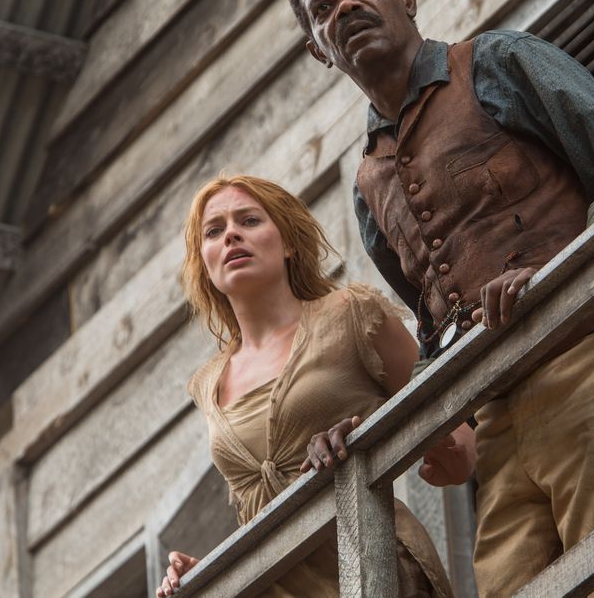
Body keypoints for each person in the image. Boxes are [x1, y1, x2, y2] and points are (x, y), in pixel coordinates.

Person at [287, 0, 594, 597]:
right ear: (319, 49)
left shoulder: (497, 62)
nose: (345, 7)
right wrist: (370, 429)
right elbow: (436, 329)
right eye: (324, 8)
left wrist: (558, 271)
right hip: (501, 420)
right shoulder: (369, 185)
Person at [155, 174, 474, 598]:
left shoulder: (351, 313)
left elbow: (461, 443)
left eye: (249, 220)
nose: (231, 234)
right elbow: (260, 516)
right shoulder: (208, 385)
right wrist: (213, 576)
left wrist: (364, 440)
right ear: (205, 263)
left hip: (376, 571)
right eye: (214, 231)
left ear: (288, 243)